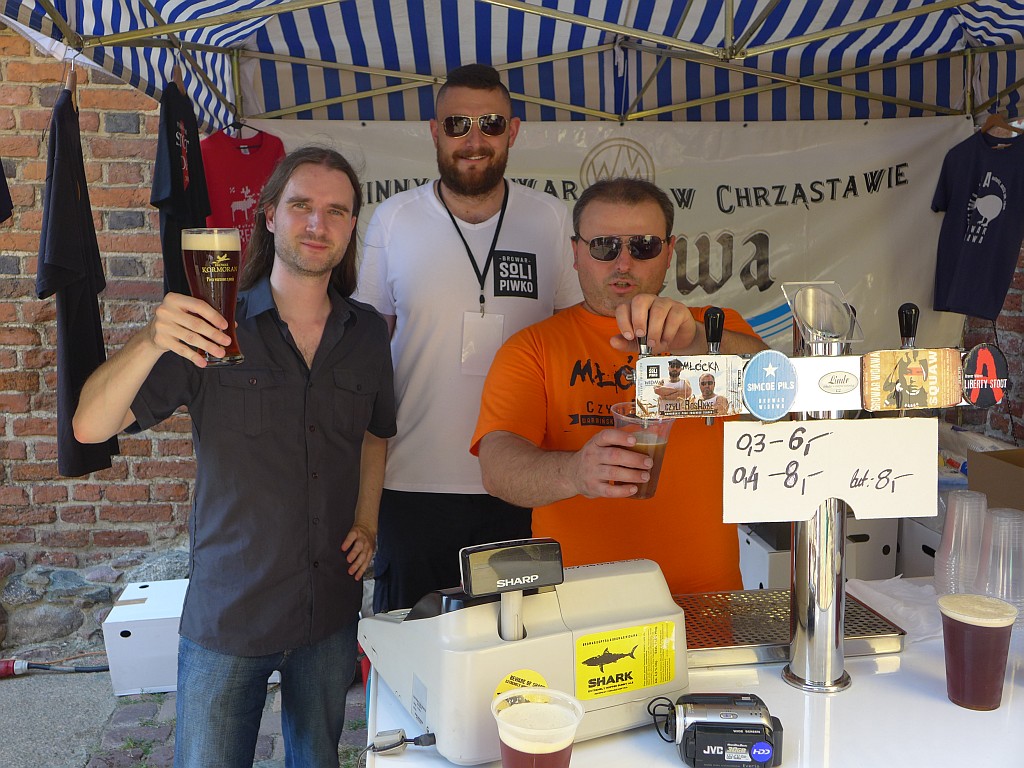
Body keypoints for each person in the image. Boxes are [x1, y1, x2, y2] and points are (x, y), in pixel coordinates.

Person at [73, 147, 396, 768]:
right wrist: (151, 337)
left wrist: (367, 521)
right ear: (269, 216)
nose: (317, 223)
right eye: (301, 205)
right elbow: (89, 426)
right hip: (231, 612)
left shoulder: (367, 335)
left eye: (336, 210)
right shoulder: (212, 326)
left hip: (329, 609)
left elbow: (377, 435)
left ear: (352, 225)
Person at [354, 63, 582, 613]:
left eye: (491, 124)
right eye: (457, 124)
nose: (474, 140)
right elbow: (363, 357)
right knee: (411, 638)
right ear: (435, 131)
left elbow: (575, 339)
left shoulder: (552, 220)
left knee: (517, 643)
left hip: (522, 480)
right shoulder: (394, 219)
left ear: (514, 131)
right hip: (411, 482)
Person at [471, 177, 768, 594]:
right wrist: (575, 472)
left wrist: (696, 340)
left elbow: (778, 390)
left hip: (706, 601)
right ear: (576, 253)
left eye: (643, 246)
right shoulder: (534, 347)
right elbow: (497, 466)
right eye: (604, 246)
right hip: (576, 603)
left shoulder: (715, 328)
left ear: (669, 252)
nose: (623, 263)